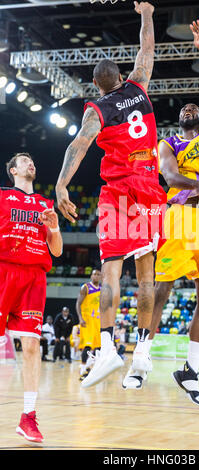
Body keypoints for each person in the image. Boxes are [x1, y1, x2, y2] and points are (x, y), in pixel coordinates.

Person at [55, 2, 167, 390]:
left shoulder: (97, 109)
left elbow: (80, 145)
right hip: (151, 192)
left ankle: (107, 347)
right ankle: (142, 351)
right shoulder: (139, 86)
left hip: (120, 192)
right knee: (147, 275)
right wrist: (147, 15)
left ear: (96, 85)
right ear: (121, 76)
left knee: (112, 272)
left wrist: (61, 184)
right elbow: (147, 49)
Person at [148, 20, 199, 407]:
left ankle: (190, 371)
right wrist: (198, 185)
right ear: (180, 120)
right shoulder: (171, 142)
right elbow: (170, 176)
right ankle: (141, 359)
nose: (191, 108)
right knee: (164, 287)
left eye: (195, 107)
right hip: (183, 216)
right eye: (185, 107)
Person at [0, 152, 63, 443]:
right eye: (24, 161)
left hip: (34, 277)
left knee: (31, 348)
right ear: (13, 170)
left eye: (32, 161)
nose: (31, 164)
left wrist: (53, 226)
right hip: (4, 269)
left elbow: (58, 250)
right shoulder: (2, 196)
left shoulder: (45, 204)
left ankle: (28, 417)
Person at [76, 269, 102, 380]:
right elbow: (78, 303)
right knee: (87, 346)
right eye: (94, 274)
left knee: (98, 347)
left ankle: (89, 368)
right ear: (91, 276)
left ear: (100, 277)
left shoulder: (102, 289)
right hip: (86, 320)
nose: (96, 276)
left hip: (97, 320)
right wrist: (80, 318)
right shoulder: (85, 287)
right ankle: (82, 368)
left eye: (98, 274)